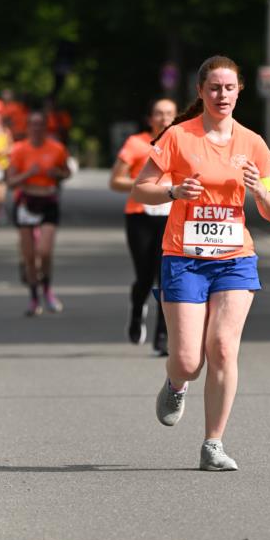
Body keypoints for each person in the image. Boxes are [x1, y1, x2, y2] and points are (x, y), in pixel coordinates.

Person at [133, 55, 270, 471]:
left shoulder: (254, 144)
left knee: (222, 348)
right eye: (214, 88)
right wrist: (172, 192)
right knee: (187, 359)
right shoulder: (178, 137)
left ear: (239, 92)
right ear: (200, 92)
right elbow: (141, 187)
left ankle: (212, 444)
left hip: (235, 258)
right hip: (184, 257)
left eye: (229, 88)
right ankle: (176, 382)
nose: (222, 95)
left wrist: (259, 191)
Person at [110, 98, 177, 353]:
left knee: (166, 277)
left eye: (169, 113)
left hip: (171, 216)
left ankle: (163, 335)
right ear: (150, 118)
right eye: (158, 114)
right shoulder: (136, 144)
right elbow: (115, 181)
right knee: (144, 276)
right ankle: (137, 310)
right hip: (140, 215)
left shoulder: (182, 143)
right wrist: (148, 187)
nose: (164, 118)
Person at [7, 111, 71, 315]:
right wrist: (29, 173)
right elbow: (10, 182)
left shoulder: (57, 148)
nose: (36, 128)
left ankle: (47, 290)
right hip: (26, 202)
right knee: (29, 256)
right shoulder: (19, 149)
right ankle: (34, 298)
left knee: (44, 251)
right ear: (27, 128)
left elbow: (67, 172)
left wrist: (57, 174)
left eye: (40, 125)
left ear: (45, 127)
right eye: (32, 125)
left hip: (48, 201)